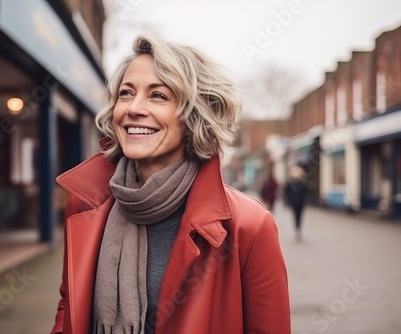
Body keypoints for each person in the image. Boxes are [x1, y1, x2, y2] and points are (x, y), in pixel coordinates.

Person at [51, 35, 290, 334]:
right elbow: (69, 305)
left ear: (193, 117)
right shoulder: (86, 203)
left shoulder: (249, 227)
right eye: (126, 93)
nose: (134, 108)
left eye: (158, 96)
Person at [284, 165, 308, 241]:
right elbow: (286, 193)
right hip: (294, 203)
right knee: (295, 215)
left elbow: (306, 191)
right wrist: (287, 202)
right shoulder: (290, 183)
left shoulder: (302, 183)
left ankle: (298, 227)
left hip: (301, 202)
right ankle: (297, 227)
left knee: (300, 216)